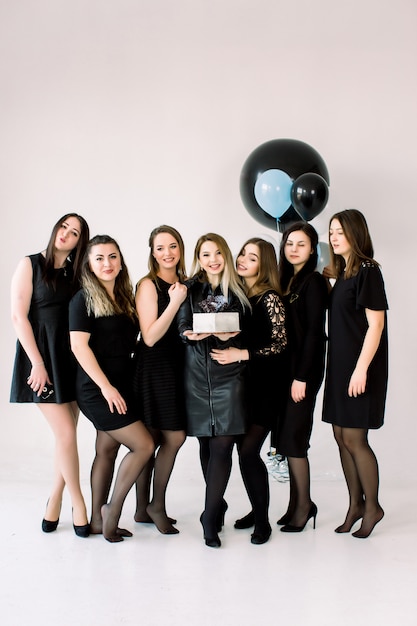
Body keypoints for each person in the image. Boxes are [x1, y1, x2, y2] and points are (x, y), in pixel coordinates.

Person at [69, 235, 154, 542]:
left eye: (113, 256)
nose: (107, 263)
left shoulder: (124, 295)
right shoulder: (83, 299)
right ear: (89, 265)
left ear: (121, 260)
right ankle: (111, 511)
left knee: (106, 449)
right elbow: (79, 347)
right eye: (100, 258)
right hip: (97, 389)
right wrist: (105, 387)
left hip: (122, 384)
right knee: (143, 446)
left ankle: (93, 520)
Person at [10, 213, 91, 537]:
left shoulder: (76, 274)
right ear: (56, 228)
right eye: (64, 227)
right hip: (41, 360)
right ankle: (78, 503)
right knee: (66, 435)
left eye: (74, 233)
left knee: (66, 436)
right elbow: (18, 317)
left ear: (78, 242)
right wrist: (38, 364)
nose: (66, 235)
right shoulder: (29, 264)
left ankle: (53, 500)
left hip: (69, 359)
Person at [177, 233, 250, 548]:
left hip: (229, 375)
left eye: (218, 253)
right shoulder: (189, 288)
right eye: (206, 254)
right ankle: (217, 504)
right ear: (198, 258)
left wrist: (236, 336)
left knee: (223, 445)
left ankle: (209, 516)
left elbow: (250, 328)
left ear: (226, 255)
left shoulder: (238, 288)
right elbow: (181, 324)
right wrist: (187, 333)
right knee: (206, 444)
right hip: (196, 376)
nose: (213, 259)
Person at [322, 209, 388, 538]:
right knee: (339, 436)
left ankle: (373, 506)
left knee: (355, 439)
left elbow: (376, 326)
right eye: (331, 232)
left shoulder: (368, 272)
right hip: (338, 368)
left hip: (359, 369)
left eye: (339, 232)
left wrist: (361, 370)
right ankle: (355, 504)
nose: (333, 237)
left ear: (355, 234)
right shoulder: (343, 275)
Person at [230, 238, 288, 544]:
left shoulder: (270, 298)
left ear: (263, 265)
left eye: (251, 258)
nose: (242, 259)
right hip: (243, 388)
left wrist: (243, 355)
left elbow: (280, 346)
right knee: (244, 453)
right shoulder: (240, 297)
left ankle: (262, 522)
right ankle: (257, 508)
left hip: (267, 388)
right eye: (242, 253)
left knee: (249, 451)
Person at [133, 225, 187, 535]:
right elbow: (150, 336)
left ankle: (146, 508)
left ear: (180, 248)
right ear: (152, 252)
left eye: (172, 246)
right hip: (154, 367)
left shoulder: (184, 283)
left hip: (178, 367)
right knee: (159, 439)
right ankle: (153, 506)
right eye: (160, 248)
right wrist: (176, 302)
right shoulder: (148, 285)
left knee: (167, 439)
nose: (167, 253)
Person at [275, 223, 328, 533]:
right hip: (282, 373)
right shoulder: (284, 281)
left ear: (312, 249)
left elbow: (313, 335)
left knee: (295, 439)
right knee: (285, 438)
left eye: (301, 244)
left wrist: (302, 377)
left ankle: (305, 505)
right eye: (289, 243)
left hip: (301, 373)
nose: (294, 248)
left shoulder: (314, 282)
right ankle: (295, 504)